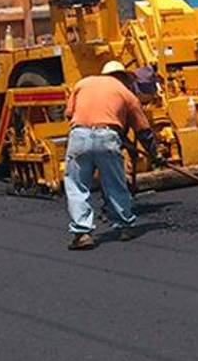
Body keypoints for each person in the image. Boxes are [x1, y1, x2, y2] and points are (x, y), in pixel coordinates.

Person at [63, 61, 162, 250]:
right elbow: (143, 130)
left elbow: (70, 114)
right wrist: (154, 154)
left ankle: (82, 232)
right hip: (107, 136)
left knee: (76, 185)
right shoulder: (126, 94)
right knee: (115, 183)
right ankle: (125, 226)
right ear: (123, 77)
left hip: (79, 136)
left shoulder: (83, 83)